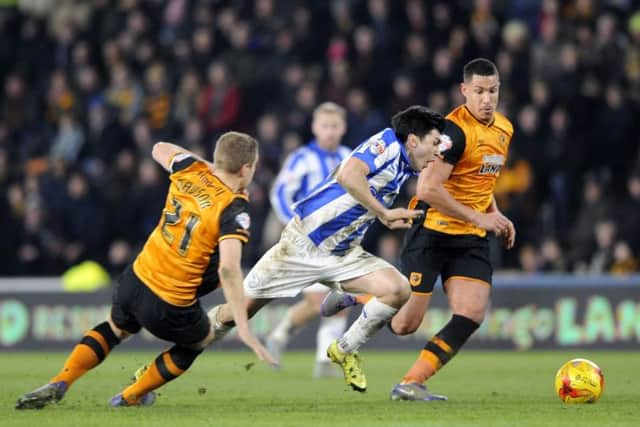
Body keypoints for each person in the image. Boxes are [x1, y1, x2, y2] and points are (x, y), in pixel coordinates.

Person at [16, 132, 276, 409]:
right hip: (170, 302)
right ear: (246, 168)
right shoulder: (235, 207)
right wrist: (244, 327)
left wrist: (210, 166)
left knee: (114, 329)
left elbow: (159, 148)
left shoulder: (190, 169)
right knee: (199, 340)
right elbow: (228, 268)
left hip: (135, 279)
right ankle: (131, 395)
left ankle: (62, 380)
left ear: (217, 159)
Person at [209, 106, 446, 392]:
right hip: (303, 245)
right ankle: (187, 341)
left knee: (398, 289)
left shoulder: (404, 165)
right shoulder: (385, 143)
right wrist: (384, 213)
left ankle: (342, 350)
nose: (437, 152)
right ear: (413, 140)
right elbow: (348, 175)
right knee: (236, 313)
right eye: (434, 143)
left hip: (342, 253)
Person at [321, 58, 516, 401]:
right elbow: (426, 190)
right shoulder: (453, 133)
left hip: (470, 238)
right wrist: (479, 218)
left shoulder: (504, 129)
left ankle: (411, 382)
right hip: (433, 231)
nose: (487, 99)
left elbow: (479, 183)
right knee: (403, 325)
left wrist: (496, 214)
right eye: (480, 91)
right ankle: (359, 296)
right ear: (464, 91)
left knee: (471, 313)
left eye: (493, 91)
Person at [266, 102, 353, 378]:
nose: (329, 132)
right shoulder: (301, 158)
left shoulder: (349, 157)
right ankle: (325, 361)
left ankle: (280, 334)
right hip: (306, 242)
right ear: (315, 127)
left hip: (339, 240)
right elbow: (279, 192)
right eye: (325, 126)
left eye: (334, 126)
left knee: (338, 300)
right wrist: (292, 220)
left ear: (343, 128)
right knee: (323, 301)